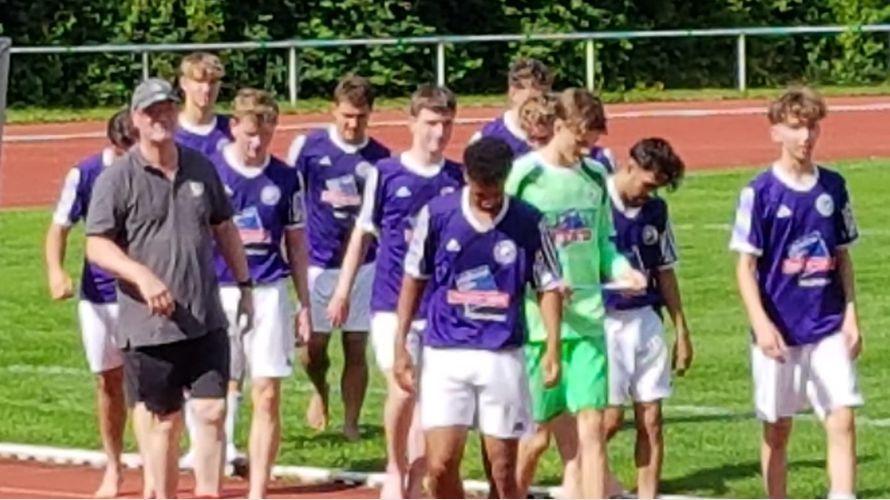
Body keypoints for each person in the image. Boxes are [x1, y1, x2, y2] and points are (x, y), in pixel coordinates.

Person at [84, 77, 253, 499]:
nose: (160, 118)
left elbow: (224, 226)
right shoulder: (117, 179)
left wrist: (245, 283)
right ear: (136, 119)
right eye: (151, 112)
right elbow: (96, 245)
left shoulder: (200, 166)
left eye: (166, 109)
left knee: (212, 411)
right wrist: (141, 276)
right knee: (165, 421)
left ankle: (208, 492)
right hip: (151, 327)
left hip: (204, 317)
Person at [393, 136, 563, 499]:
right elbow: (414, 279)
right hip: (445, 353)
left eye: (496, 189)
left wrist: (553, 346)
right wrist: (400, 345)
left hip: (502, 354)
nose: (488, 198)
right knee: (440, 465)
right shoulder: (438, 215)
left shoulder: (528, 221)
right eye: (481, 190)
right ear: (467, 177)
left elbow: (548, 285)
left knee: (502, 470)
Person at [505, 87, 646, 499]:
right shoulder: (524, 175)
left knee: (592, 426)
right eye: (580, 140)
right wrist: (542, 281)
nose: (586, 150)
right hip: (537, 327)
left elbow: (603, 243)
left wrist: (623, 271)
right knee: (535, 437)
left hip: (587, 323)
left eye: (592, 142)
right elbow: (505, 244)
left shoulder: (596, 175)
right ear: (559, 126)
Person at [327, 84, 463, 499]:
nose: (438, 133)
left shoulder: (457, 178)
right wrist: (343, 290)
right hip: (390, 301)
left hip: (438, 305)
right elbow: (362, 234)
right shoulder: (386, 173)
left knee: (427, 394)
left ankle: (418, 477)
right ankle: (395, 464)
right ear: (412, 122)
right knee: (403, 388)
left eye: (446, 124)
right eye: (431, 123)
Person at [730, 87, 862, 499]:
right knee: (777, 428)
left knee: (842, 417)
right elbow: (745, 267)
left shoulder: (834, 187)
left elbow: (842, 256)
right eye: (795, 127)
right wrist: (761, 324)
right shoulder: (760, 193)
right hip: (780, 331)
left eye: (811, 127)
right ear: (776, 132)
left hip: (826, 324)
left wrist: (851, 314)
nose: (805, 137)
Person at [209, 88, 311, 499]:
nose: (257, 144)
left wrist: (304, 304)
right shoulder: (211, 171)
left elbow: (297, 245)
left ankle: (257, 490)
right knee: (214, 395)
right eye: (250, 134)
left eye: (265, 135)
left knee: (267, 393)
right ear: (234, 127)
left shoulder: (286, 178)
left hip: (269, 290)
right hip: (218, 290)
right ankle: (211, 482)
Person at [287, 75, 391, 440]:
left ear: (371, 114)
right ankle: (320, 389)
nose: (352, 124)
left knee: (355, 346)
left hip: (364, 265)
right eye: (347, 115)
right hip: (318, 263)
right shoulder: (309, 148)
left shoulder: (380, 159)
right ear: (334, 111)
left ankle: (350, 422)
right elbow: (291, 198)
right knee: (313, 348)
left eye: (360, 116)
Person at [44, 109, 136, 498]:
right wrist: (56, 271)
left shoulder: (157, 170)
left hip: (144, 294)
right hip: (99, 294)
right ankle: (113, 466)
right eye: (125, 149)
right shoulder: (85, 174)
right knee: (108, 380)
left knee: (149, 382)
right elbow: (59, 228)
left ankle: (158, 467)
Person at [602, 138, 692, 500]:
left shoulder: (656, 211)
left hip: (646, 320)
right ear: (631, 165)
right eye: (648, 184)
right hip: (605, 320)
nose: (649, 194)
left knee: (652, 419)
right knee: (608, 421)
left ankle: (646, 495)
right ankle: (583, 478)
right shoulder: (596, 201)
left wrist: (681, 329)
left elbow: (665, 271)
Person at [470, 58, 553, 157]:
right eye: (533, 99)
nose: (540, 106)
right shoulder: (486, 140)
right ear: (513, 92)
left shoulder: (558, 135)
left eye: (545, 98)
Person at [175, 52, 231, 156]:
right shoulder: (170, 132)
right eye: (199, 81)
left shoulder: (232, 131)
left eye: (212, 82)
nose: (206, 89)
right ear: (183, 83)